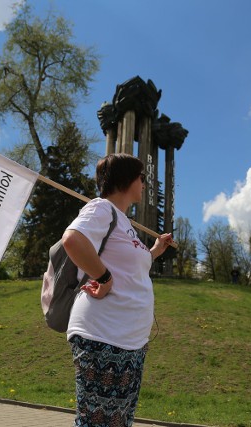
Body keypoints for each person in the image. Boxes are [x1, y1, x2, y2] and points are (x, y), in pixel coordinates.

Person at [62, 153, 174, 427]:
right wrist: (105, 278)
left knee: (119, 422)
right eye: (141, 178)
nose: (144, 184)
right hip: (103, 334)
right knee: (98, 422)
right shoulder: (102, 208)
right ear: (127, 180)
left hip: (130, 340)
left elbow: (133, 268)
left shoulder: (124, 223)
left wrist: (156, 250)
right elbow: (73, 240)